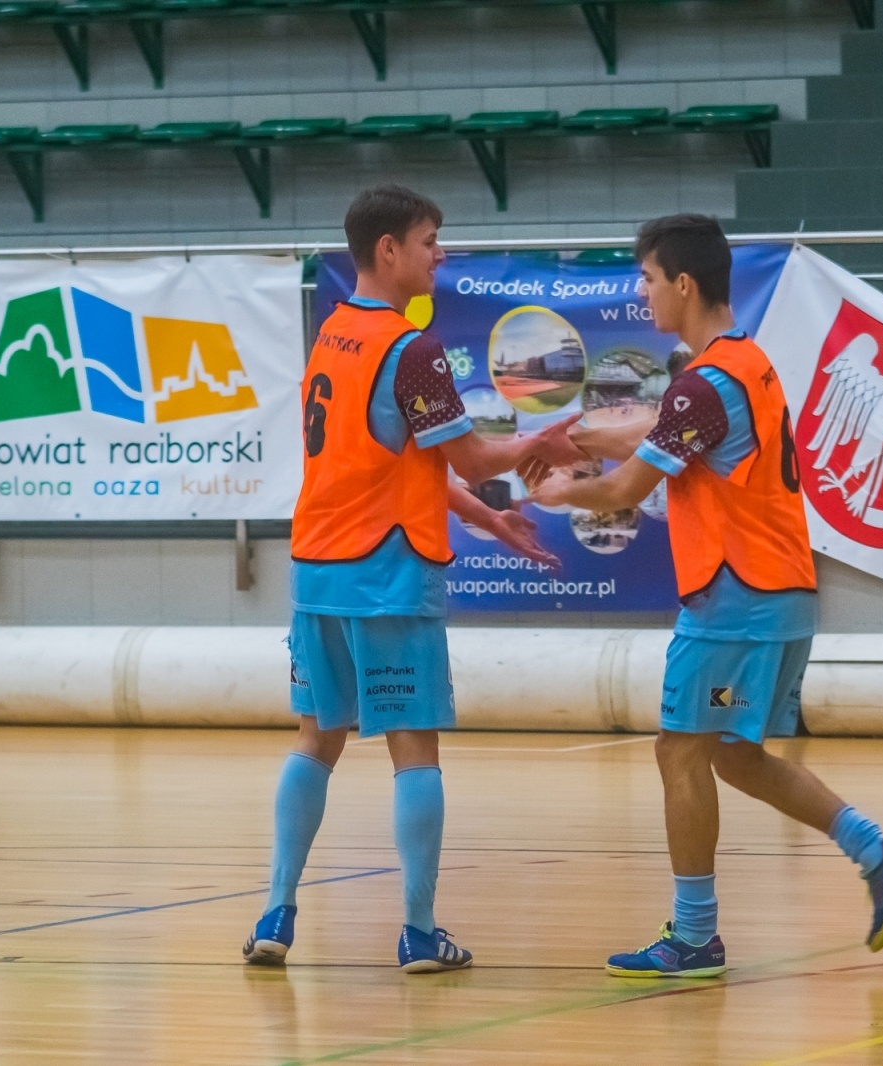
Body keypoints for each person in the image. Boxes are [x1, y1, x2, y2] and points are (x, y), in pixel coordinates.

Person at [525, 214, 883, 978]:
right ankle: (876, 851)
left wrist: (558, 493)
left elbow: (626, 487)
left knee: (678, 749)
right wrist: (572, 438)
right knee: (733, 755)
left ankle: (695, 935)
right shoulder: (743, 365)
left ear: (683, 283)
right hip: (780, 597)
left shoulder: (703, 386)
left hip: (735, 600)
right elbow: (656, 430)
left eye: (647, 279)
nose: (642, 293)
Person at [245, 184, 583, 974]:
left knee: (314, 742)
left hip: (317, 573)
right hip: (388, 573)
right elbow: (470, 454)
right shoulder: (411, 349)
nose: (442, 253)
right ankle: (420, 932)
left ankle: (275, 913)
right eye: (431, 240)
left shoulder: (333, 334)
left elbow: (405, 460)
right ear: (389, 249)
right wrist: (540, 444)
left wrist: (488, 516)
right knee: (414, 752)